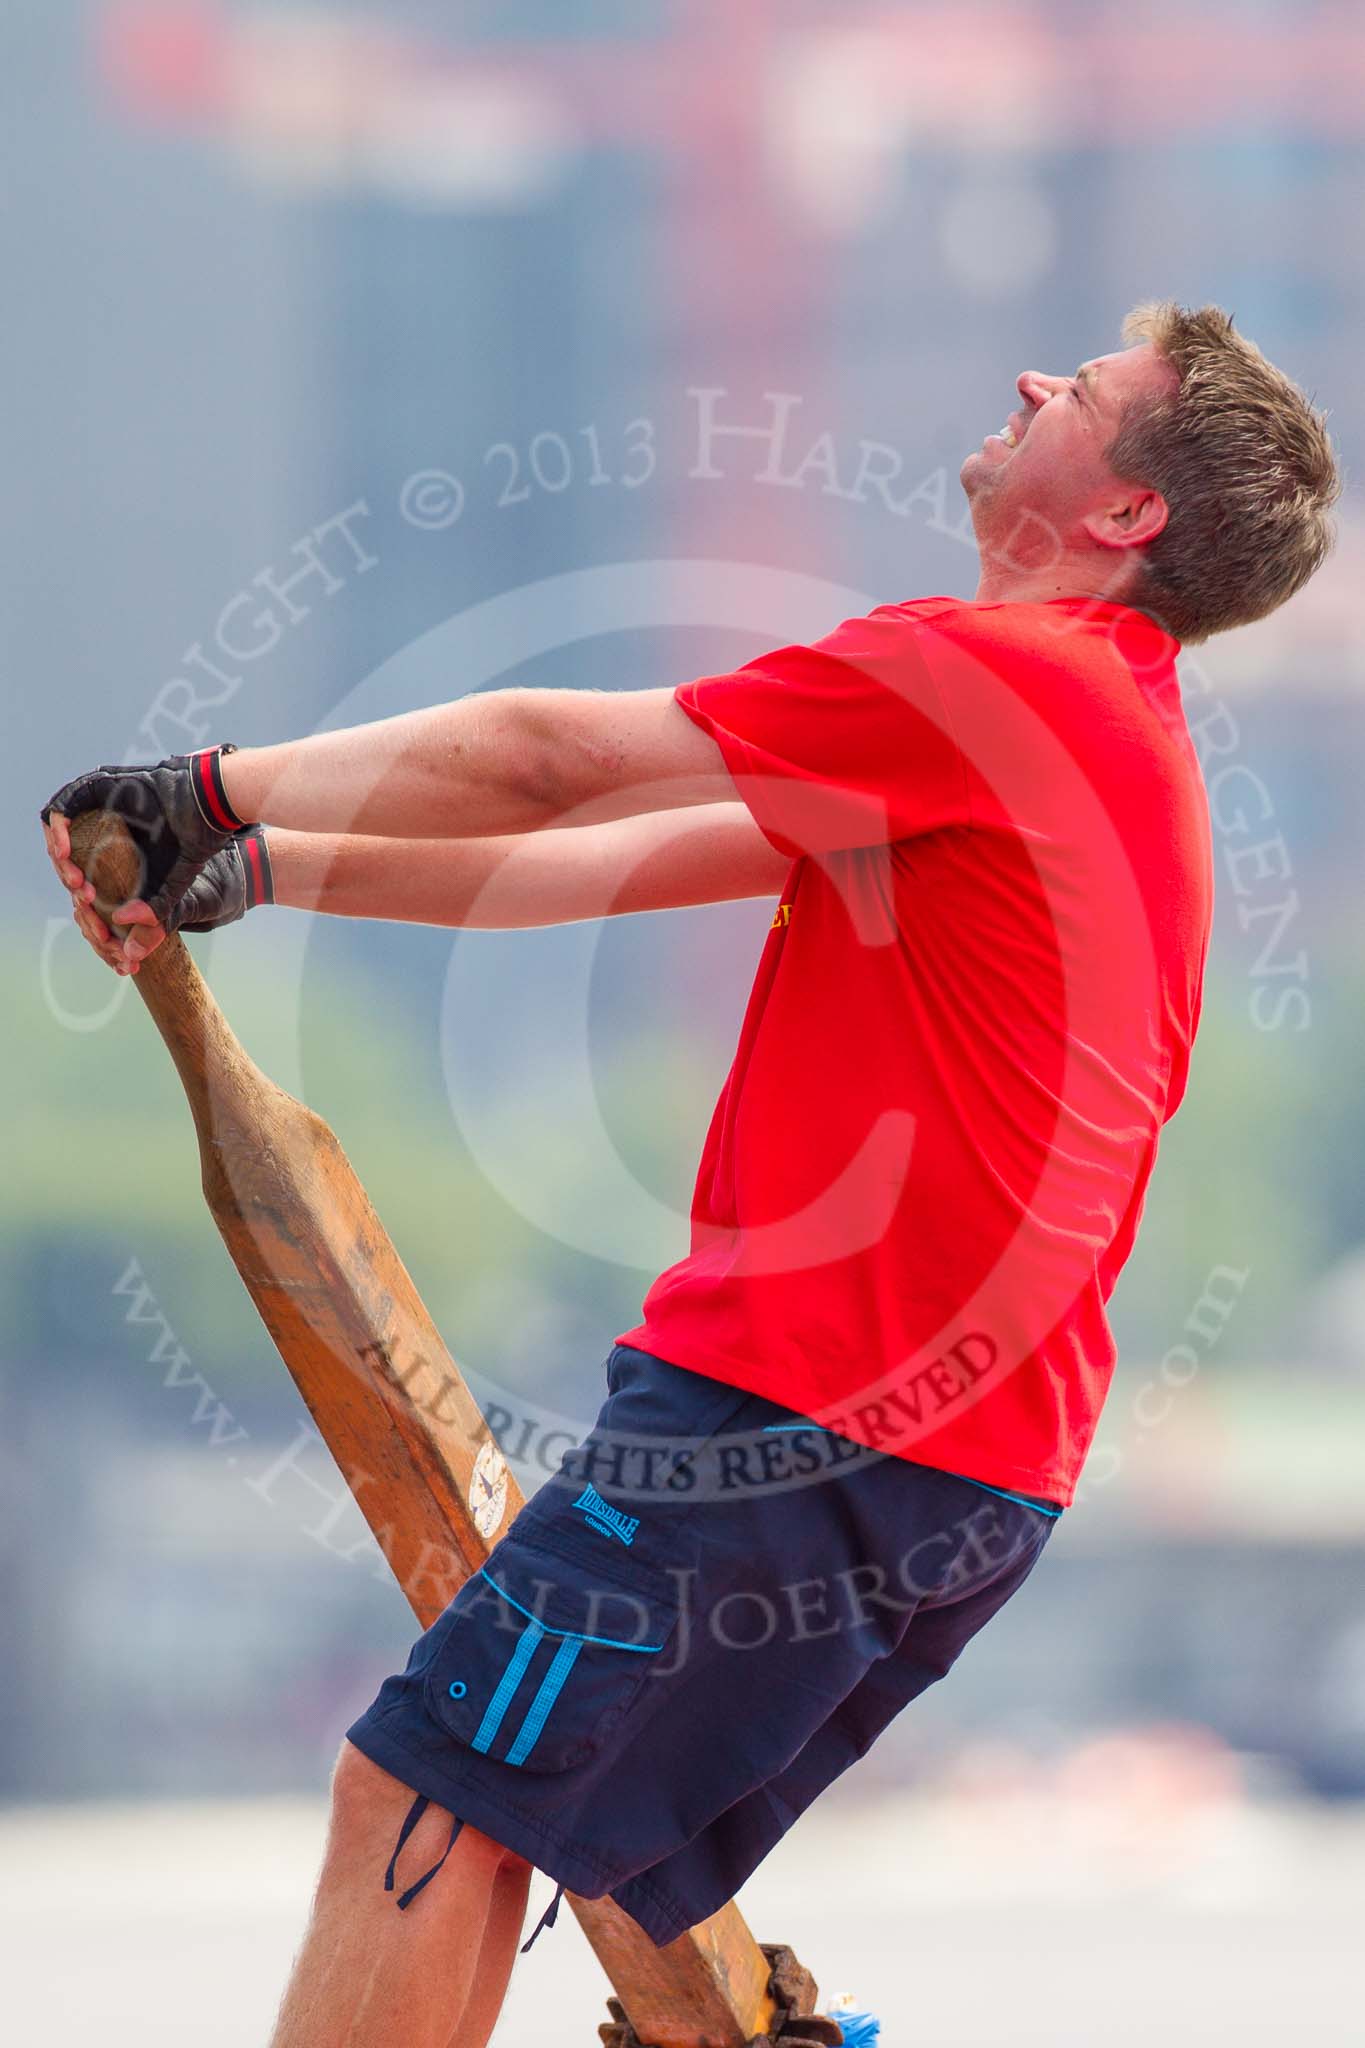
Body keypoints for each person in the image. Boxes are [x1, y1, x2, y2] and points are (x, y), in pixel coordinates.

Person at [42, 304, 1338, 2048]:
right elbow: (620, 856)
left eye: (1085, 392)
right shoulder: (1082, 729)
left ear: (1123, 516)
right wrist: (259, 870)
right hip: (940, 1469)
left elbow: (554, 762)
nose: (1034, 379)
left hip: (807, 1426)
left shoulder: (999, 677)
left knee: (428, 1807)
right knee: (571, 1868)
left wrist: (201, 785)